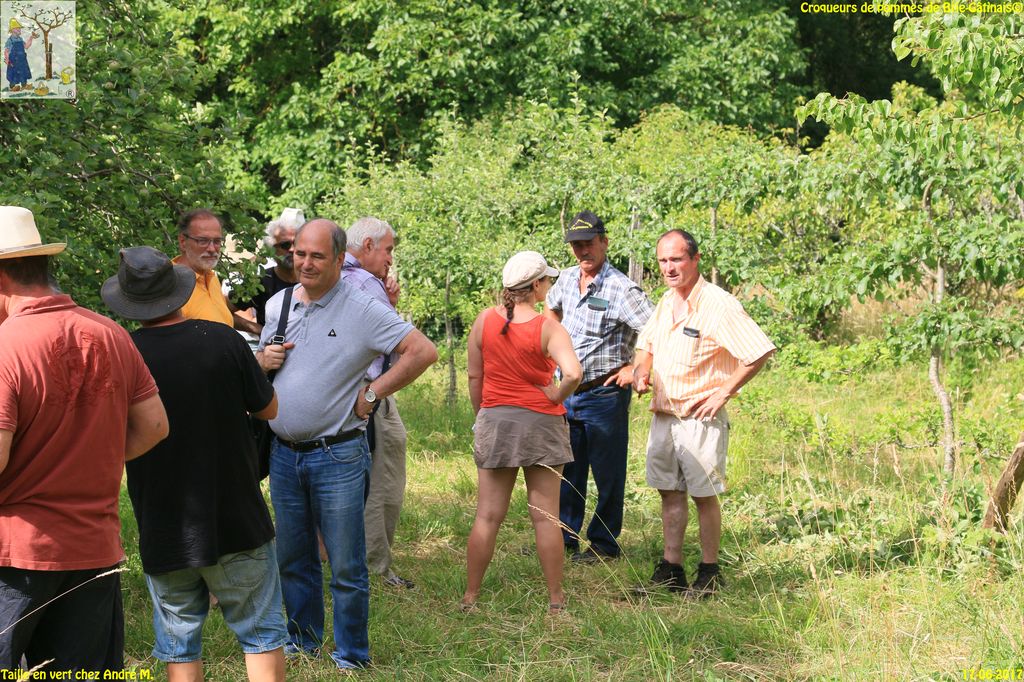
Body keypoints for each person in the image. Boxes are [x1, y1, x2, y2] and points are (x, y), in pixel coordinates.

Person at [256, 218, 437, 670]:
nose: (305, 263)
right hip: (284, 455)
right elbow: (262, 372)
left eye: (317, 256)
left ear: (340, 259)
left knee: (346, 564)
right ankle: (302, 641)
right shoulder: (279, 304)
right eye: (300, 253)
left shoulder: (361, 307)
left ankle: (351, 655)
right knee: (293, 558)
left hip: (338, 455)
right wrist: (262, 360)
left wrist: (374, 393)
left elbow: (422, 351)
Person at [101, 246, 286, 682]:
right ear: (179, 292)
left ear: (129, 303)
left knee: (178, 642)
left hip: (164, 522)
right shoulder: (223, 340)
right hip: (236, 516)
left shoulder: (123, 354)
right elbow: (270, 409)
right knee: (261, 634)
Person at [0, 206, 168, 674]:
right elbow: (155, 426)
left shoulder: (6, 345)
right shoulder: (110, 333)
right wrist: (91, 458)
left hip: (16, 552)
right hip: (94, 547)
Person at [632, 229, 775, 596]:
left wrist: (724, 392)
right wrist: (641, 371)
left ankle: (710, 572)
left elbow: (758, 351)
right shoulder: (668, 301)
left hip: (699, 418)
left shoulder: (718, 304)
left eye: (676, 259)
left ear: (695, 259)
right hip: (664, 414)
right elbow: (646, 344)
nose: (669, 268)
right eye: (663, 261)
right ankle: (671, 568)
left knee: (703, 494)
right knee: (669, 491)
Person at [462, 251, 581, 613]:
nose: (549, 286)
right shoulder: (548, 327)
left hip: (497, 421)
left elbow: (475, 376)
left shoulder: (484, 320)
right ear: (536, 285)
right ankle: (556, 601)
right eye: (547, 280)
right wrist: (556, 395)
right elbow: (573, 373)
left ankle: (470, 597)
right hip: (541, 425)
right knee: (545, 516)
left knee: (487, 516)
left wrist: (484, 415)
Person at [544, 210, 653, 563]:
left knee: (608, 473)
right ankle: (564, 538)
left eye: (588, 243)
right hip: (567, 391)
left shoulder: (622, 289)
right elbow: (550, 311)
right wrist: (550, 353)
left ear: (604, 242)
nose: (582, 251)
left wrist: (635, 368)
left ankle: (604, 545)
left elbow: (656, 331)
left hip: (603, 394)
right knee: (568, 469)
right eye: (576, 245)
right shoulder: (565, 279)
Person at [341, 217, 412, 588]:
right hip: (370, 390)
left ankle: (354, 560)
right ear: (367, 245)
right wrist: (373, 394)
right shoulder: (366, 282)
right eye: (388, 250)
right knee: (382, 480)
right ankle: (376, 568)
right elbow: (398, 347)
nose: (390, 260)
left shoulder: (336, 277)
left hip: (346, 389)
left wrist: (390, 304)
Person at [173, 207, 259, 333]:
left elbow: (219, 321)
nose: (212, 249)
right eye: (203, 241)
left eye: (217, 241)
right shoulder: (171, 283)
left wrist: (256, 328)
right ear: (183, 242)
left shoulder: (211, 277)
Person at [234, 208, 303, 330]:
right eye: (285, 245)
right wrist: (259, 330)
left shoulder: (315, 279)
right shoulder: (259, 281)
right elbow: (223, 310)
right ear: (271, 250)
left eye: (297, 243)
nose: (292, 249)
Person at [4, 19, 35, 92]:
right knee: (14, 73)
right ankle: (12, 87)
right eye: (17, 28)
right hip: (14, 61)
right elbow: (6, 51)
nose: (19, 29)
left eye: (19, 28)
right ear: (12, 30)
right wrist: (7, 60)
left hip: (22, 60)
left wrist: (31, 38)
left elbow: (26, 46)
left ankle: (24, 85)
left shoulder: (20, 39)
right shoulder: (10, 40)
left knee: (23, 72)